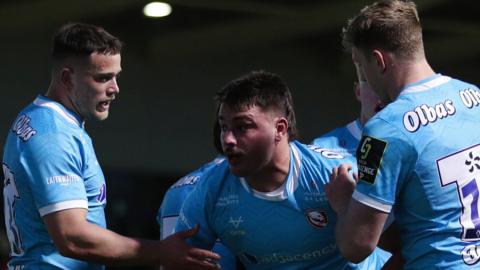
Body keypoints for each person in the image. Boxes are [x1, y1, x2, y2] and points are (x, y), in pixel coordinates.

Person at [2, 22, 220, 269]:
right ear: (66, 77)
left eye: (116, 76)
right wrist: (161, 251)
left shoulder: (36, 118)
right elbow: (72, 238)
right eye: (103, 78)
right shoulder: (54, 135)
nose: (115, 89)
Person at [175, 70, 387, 269]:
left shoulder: (336, 175)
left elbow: (402, 237)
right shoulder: (211, 190)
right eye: (224, 127)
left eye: (242, 127)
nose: (228, 140)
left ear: (280, 129)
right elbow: (177, 259)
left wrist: (349, 210)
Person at [325, 1, 480, 269]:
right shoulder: (474, 96)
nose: (367, 79)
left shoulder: (384, 130)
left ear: (378, 61)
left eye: (362, 66)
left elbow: (357, 245)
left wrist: (343, 203)